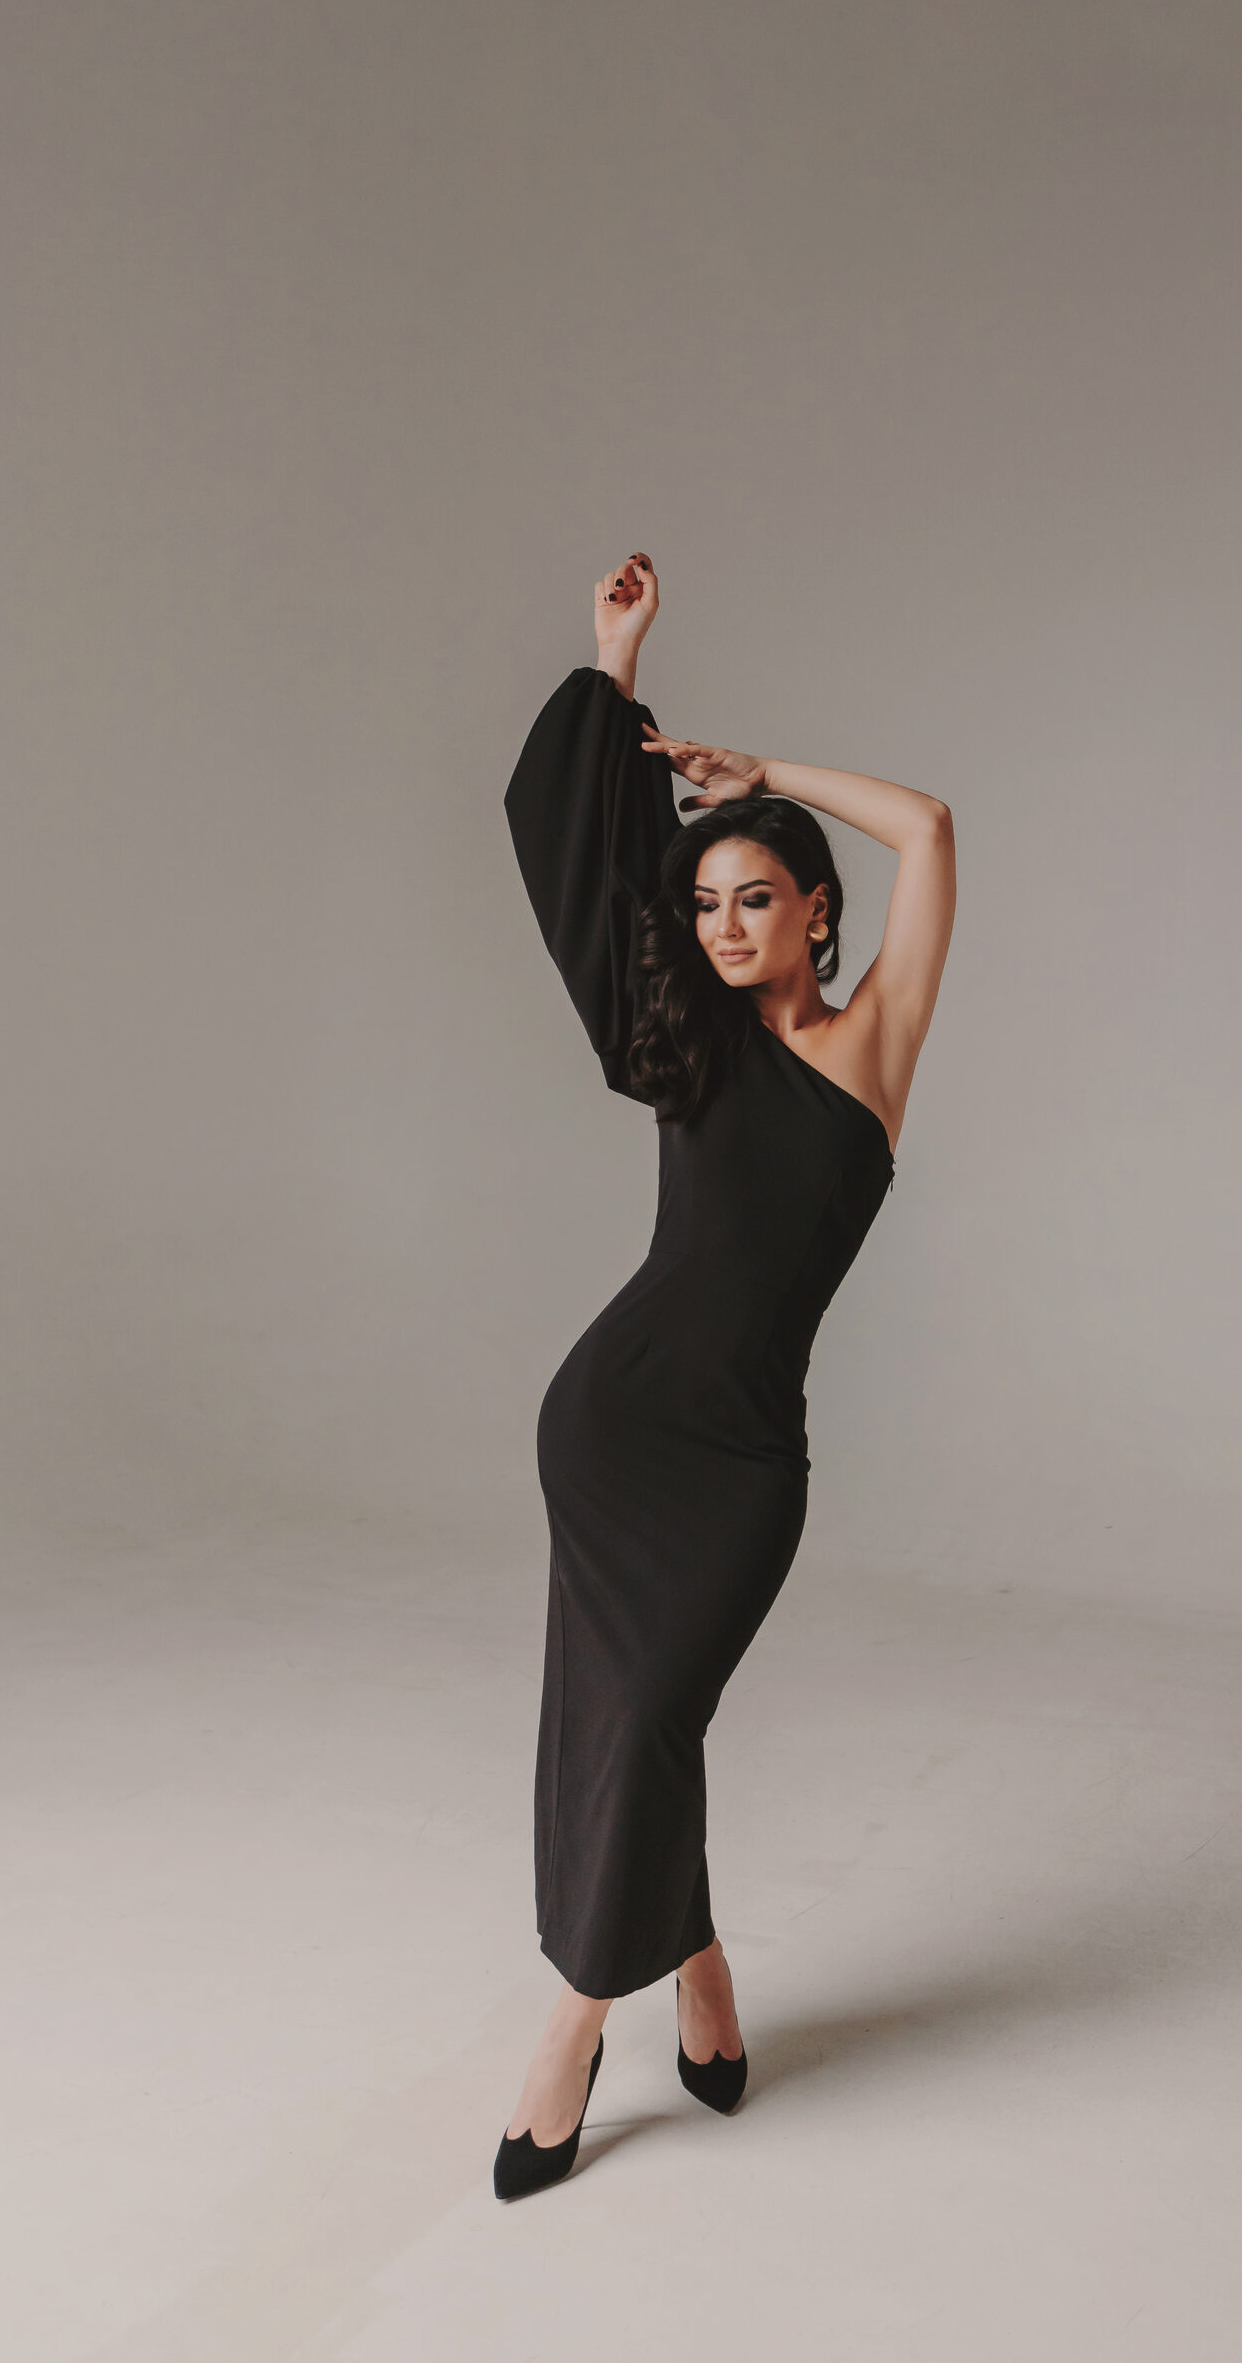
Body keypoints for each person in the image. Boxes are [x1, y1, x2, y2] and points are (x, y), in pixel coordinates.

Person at [493, 552, 956, 2198]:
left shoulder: (871, 1048)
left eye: (756, 897)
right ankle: (600, 2017)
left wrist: (763, 772)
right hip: (611, 1423)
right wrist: (615, 662)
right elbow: (586, 862)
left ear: (819, 908)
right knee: (631, 1726)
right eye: (706, 904)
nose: (724, 924)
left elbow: (929, 828)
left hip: (745, 1463)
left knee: (654, 1718)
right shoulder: (687, 1038)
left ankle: (650, 1984)